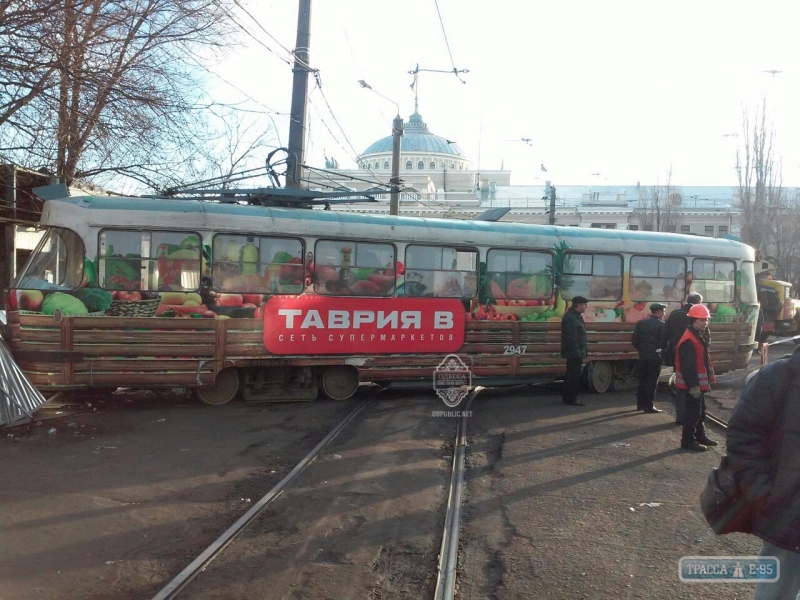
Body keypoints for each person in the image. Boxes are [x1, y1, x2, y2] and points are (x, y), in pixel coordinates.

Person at [726, 346, 800, 599]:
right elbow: (743, 437)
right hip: (790, 519)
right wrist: (766, 495)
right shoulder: (776, 378)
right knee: (776, 594)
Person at [673, 304, 717, 451]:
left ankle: (700, 435)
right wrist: (693, 386)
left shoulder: (696, 335)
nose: (705, 323)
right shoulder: (689, 340)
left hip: (697, 384)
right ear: (693, 320)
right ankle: (687, 441)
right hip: (693, 385)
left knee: (700, 411)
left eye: (706, 320)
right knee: (693, 414)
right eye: (701, 320)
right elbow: (688, 366)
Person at [663, 292, 705, 425]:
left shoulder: (675, 314)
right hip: (692, 349)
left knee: (680, 383)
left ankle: (681, 416)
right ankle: (693, 419)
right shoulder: (696, 316)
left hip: (676, 351)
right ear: (698, 302)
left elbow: (666, 332)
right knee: (694, 385)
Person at [632, 302, 667, 413]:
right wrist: (660, 352)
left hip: (643, 356)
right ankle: (649, 405)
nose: (664, 314)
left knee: (642, 380)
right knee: (652, 382)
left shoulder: (641, 323)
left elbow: (635, 340)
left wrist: (642, 350)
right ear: (658, 312)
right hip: (655, 358)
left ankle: (640, 404)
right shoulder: (662, 325)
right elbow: (664, 342)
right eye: (663, 312)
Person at [561, 296, 589, 406]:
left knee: (572, 375)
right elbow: (571, 338)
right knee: (573, 376)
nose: (586, 307)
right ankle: (571, 398)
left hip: (576, 352)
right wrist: (577, 353)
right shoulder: (571, 317)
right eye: (584, 304)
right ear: (578, 305)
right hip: (574, 353)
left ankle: (568, 397)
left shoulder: (575, 316)